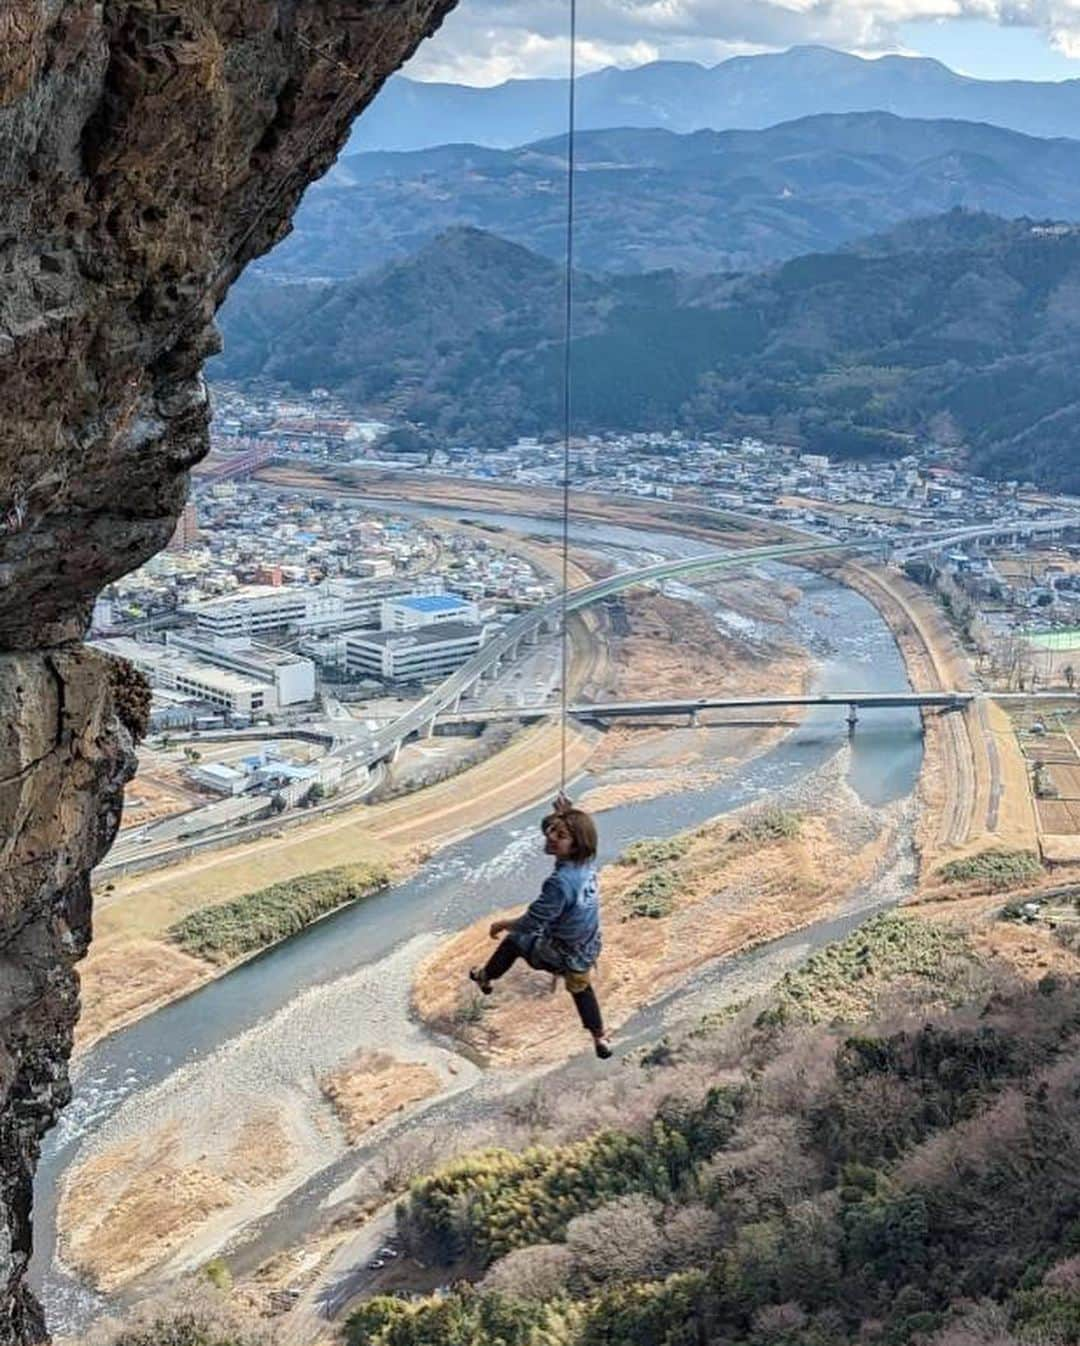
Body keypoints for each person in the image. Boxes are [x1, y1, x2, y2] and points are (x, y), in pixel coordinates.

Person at [470, 794, 612, 1059]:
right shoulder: (586, 863)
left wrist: (501, 924)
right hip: (587, 947)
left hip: (561, 951)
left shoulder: (559, 883)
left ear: (575, 845)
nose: (551, 837)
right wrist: (568, 813)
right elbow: (561, 836)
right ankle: (599, 1036)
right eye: (551, 832)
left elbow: (531, 922)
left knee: (514, 942)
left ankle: (486, 977)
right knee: (581, 987)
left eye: (560, 836)